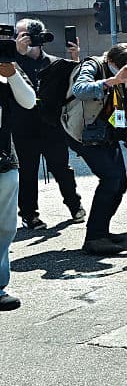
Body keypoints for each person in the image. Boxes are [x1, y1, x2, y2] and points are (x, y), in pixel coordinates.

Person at [63, 44, 127, 254]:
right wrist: (113, 81)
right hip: (82, 133)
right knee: (110, 179)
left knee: (120, 183)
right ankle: (94, 238)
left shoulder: (122, 74)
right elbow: (80, 90)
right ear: (112, 62)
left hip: (105, 133)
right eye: (122, 67)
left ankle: (102, 231)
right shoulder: (92, 65)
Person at [12, 19, 85, 230]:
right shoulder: (10, 64)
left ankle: (75, 206)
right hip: (23, 126)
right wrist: (16, 53)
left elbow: (75, 86)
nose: (27, 39)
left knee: (62, 168)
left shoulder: (55, 63)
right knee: (27, 172)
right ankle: (29, 215)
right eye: (22, 34)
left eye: (31, 34)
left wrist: (76, 59)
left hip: (52, 126)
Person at [0, 50, 38, 310]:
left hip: (3, 160)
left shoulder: (7, 68)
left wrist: (12, 74)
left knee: (5, 228)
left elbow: (29, 101)